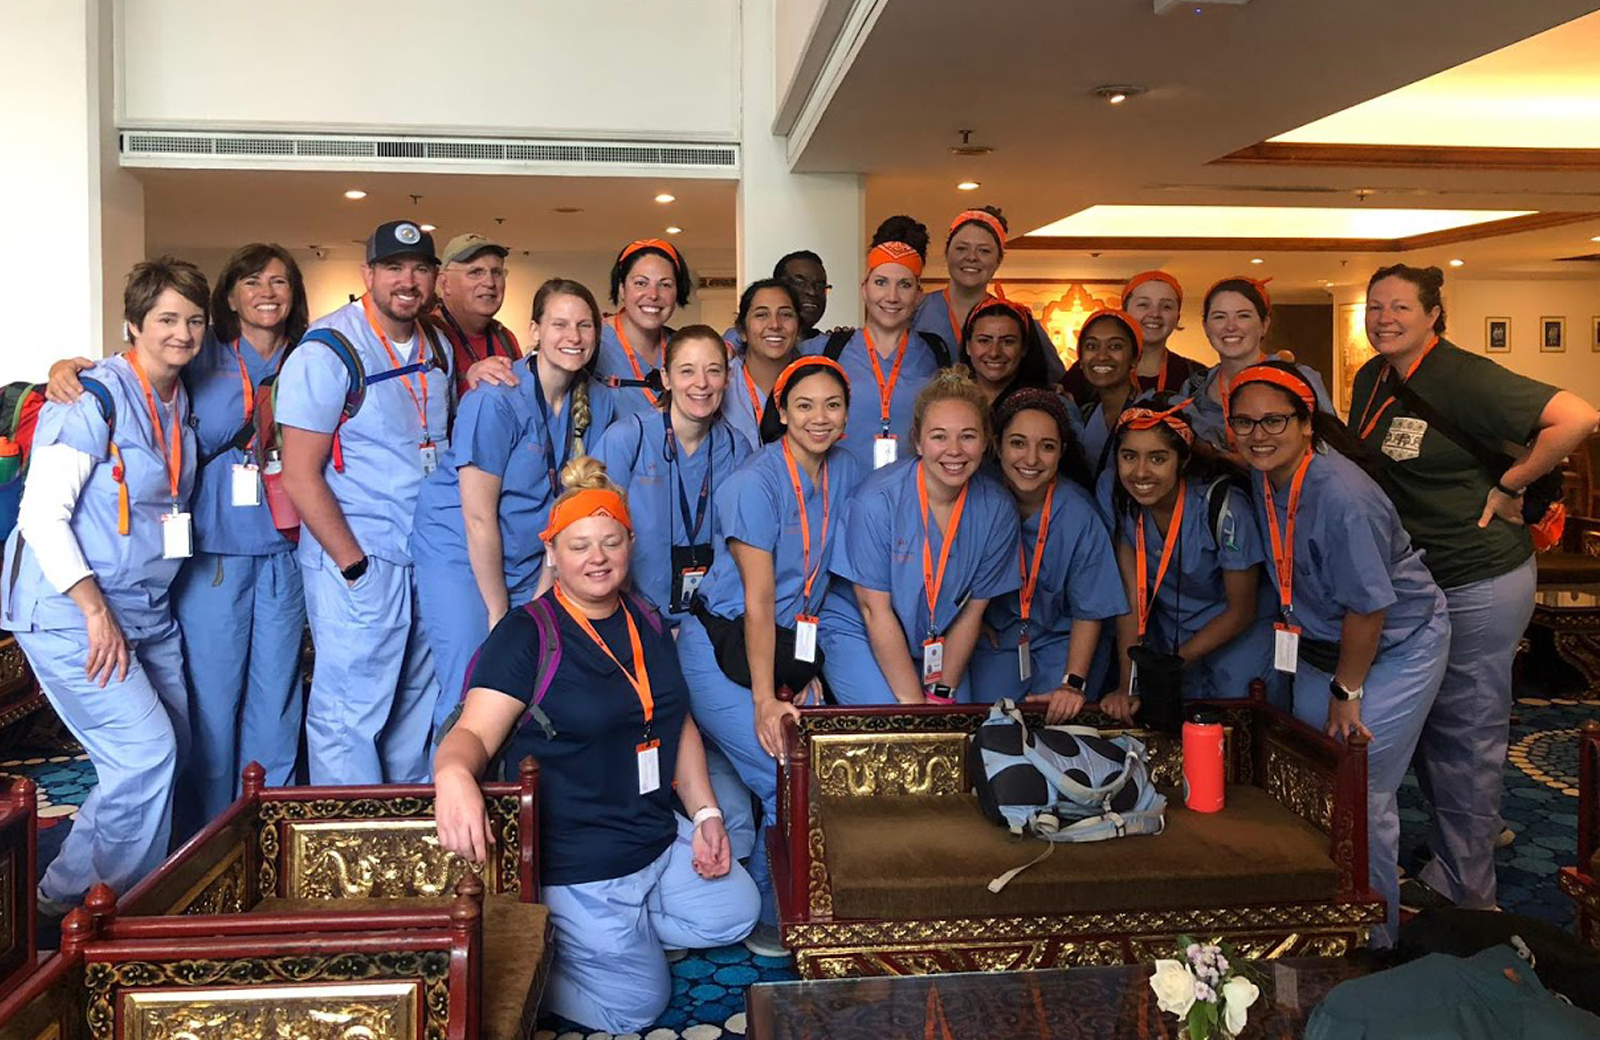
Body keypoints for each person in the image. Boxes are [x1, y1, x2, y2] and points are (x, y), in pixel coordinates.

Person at [433, 458, 758, 1034]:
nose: (597, 557)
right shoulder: (528, 633)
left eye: (611, 542)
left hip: (652, 838)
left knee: (736, 911)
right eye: (579, 545)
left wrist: (705, 811)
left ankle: (614, 939)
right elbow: (471, 735)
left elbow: (675, 720)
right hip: (580, 861)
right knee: (633, 1006)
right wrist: (453, 776)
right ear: (553, 553)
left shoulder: (647, 619)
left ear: (631, 544)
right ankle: (533, 957)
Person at [1348, 263, 1598, 913]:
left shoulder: (1463, 375)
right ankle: (1469, 839)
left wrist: (1512, 483)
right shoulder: (1373, 378)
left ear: (1434, 314)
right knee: (1430, 726)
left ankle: (1469, 891)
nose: (1384, 319)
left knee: (1464, 732)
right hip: (1418, 580)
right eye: (1375, 308)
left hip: (1478, 577)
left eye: (1400, 307)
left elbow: (1576, 417)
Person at [43, 244, 313, 823]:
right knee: (213, 703)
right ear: (230, 296)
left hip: (289, 548)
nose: (267, 292)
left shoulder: (311, 356)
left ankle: (271, 825)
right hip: (211, 552)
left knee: (279, 698)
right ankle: (212, 831)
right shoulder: (204, 352)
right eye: (251, 281)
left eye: (280, 281)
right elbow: (137, 370)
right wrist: (66, 369)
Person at [3, 258, 205, 909]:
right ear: (134, 324)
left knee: (163, 754)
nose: (182, 332)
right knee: (145, 755)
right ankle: (112, 913)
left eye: (194, 319)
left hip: (147, 608)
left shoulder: (182, 399)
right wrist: (94, 610)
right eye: (167, 319)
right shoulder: (94, 397)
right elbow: (40, 517)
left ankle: (65, 896)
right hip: (73, 610)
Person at [1228, 360, 1450, 946]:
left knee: (1358, 788)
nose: (1258, 435)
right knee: (1307, 771)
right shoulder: (1266, 471)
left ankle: (1373, 941)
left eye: (1274, 420)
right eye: (1244, 423)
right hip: (1320, 641)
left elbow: (1369, 610)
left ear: (1307, 425)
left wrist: (1347, 695)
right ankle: (1320, 916)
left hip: (1396, 644)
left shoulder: (1344, 496)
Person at [676, 356, 857, 956]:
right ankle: (773, 909)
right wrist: (763, 701)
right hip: (722, 647)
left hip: (785, 647)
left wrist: (806, 675)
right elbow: (757, 603)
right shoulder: (756, 480)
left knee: (767, 782)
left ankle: (758, 895)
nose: (818, 417)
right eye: (804, 405)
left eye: (832, 405)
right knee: (783, 773)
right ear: (781, 412)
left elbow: (823, 585)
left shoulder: (847, 471)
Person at [276, 220, 452, 785]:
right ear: (368, 275)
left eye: (421, 269)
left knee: (412, 704)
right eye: (394, 268)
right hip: (358, 557)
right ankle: (350, 853)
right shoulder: (328, 351)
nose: (408, 280)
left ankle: (405, 838)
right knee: (349, 713)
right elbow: (301, 475)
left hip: (422, 556)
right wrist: (353, 564)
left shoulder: (438, 345)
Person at [412, 278, 615, 726]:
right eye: (560, 324)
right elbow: (479, 518)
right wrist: (500, 614)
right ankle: (450, 790)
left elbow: (568, 510)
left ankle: (509, 794)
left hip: (532, 554)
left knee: (529, 679)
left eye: (585, 325)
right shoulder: (494, 400)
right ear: (535, 330)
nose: (574, 336)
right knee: (475, 679)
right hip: (462, 555)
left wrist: (543, 595)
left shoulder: (598, 403)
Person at [819, 368, 1021, 705]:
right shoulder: (876, 501)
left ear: (986, 442)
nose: (954, 450)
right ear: (917, 441)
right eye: (939, 436)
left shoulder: (997, 509)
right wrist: (916, 709)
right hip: (859, 630)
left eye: (968, 436)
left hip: (934, 640)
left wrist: (940, 697)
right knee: (895, 731)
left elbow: (973, 612)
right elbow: (873, 611)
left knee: (956, 730)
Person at [1097, 397, 1277, 725]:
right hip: (1170, 637)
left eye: (1157, 458)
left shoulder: (1224, 508)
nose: (1140, 472)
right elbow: (1130, 603)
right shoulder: (1124, 503)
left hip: (1238, 637)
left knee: (1236, 734)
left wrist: (1174, 663)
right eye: (1129, 456)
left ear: (1182, 460)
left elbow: (1241, 611)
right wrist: (1130, 683)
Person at [968, 389, 1124, 717]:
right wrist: (971, 618)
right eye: (1018, 443)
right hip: (1000, 637)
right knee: (987, 719)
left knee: (1054, 720)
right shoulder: (980, 498)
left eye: (1047, 447)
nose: (1031, 459)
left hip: (1063, 639)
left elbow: (1090, 608)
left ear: (1062, 452)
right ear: (997, 445)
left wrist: (1073, 682)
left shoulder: (1078, 514)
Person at [596, 325, 748, 627]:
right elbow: (596, 535)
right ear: (666, 378)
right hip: (629, 614)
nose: (701, 384)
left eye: (714, 371)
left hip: (708, 618)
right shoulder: (627, 439)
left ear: (727, 378)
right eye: (687, 371)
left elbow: (741, 546)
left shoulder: (735, 449)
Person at [804, 215, 950, 472]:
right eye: (881, 283)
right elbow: (765, 347)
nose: (891, 296)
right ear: (865, 289)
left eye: (904, 285)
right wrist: (731, 340)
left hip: (912, 498)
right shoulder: (826, 349)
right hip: (840, 497)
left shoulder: (935, 353)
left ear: (918, 295)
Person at [913, 207, 1065, 380]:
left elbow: (1056, 383)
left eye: (984, 251)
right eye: (962, 248)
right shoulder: (914, 312)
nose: (972, 257)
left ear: (999, 259)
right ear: (947, 253)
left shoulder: (1020, 322)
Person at [1181, 277, 1332, 452]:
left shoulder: (1298, 379)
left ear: (1264, 325)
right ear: (1206, 327)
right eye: (1219, 317)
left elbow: (1331, 448)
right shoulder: (1194, 387)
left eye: (1243, 316)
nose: (1231, 326)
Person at [1061, 271, 1206, 405]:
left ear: (1177, 317)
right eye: (1143, 304)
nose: (1155, 314)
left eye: (1166, 307)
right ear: (1125, 312)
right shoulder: (1092, 368)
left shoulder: (1195, 376)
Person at [597, 238, 692, 422]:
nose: (653, 295)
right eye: (641, 283)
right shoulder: (591, 341)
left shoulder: (683, 346)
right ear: (622, 289)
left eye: (665, 285)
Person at [426, 233, 521, 396]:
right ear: (445, 283)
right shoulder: (424, 339)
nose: (490, 283)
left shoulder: (505, 338)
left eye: (497, 272)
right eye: (476, 272)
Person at [723, 279, 803, 449]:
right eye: (761, 315)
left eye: (786, 314)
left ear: (798, 328)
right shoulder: (721, 382)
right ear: (742, 330)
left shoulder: (812, 383)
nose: (775, 324)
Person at [1072, 308, 1144, 479]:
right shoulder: (1086, 414)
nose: (1102, 356)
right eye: (1092, 346)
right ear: (1081, 360)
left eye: (1115, 346)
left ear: (1135, 358)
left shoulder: (1155, 412)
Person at [724, 252, 829, 353]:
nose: (812, 292)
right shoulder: (732, 349)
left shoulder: (836, 348)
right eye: (799, 283)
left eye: (820, 286)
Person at [961, 298, 1055, 409]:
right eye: (984, 341)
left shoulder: (1043, 404)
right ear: (968, 346)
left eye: (1008, 342)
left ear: (1024, 348)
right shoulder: (948, 398)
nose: (994, 353)